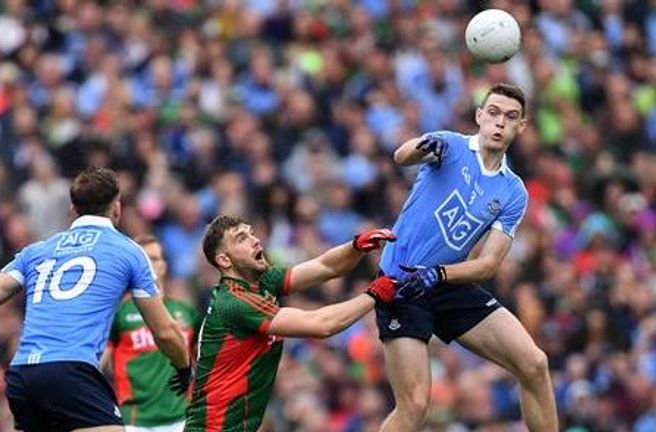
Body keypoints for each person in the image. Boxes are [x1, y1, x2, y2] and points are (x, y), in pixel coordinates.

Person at [0, 167, 190, 432]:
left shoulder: (37, 251)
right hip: (72, 370)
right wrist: (183, 366)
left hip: (23, 374)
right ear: (117, 206)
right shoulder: (128, 251)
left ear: (73, 209)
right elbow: (165, 332)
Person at [376, 83, 558, 431]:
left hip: (444, 281)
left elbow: (488, 264)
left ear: (521, 127)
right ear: (479, 116)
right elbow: (401, 156)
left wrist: (440, 275)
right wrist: (422, 146)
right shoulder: (451, 145)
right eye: (493, 113)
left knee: (534, 364)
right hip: (401, 284)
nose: (499, 123)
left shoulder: (513, 191)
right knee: (414, 407)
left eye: (510, 117)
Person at [184, 214, 400, 432]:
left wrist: (356, 246)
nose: (255, 240)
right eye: (241, 238)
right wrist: (373, 295)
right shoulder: (234, 302)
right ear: (224, 261)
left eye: (251, 233)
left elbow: (326, 267)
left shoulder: (261, 281)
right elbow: (321, 324)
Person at [102, 234, 197, 432]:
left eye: (155, 259)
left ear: (164, 266)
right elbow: (99, 365)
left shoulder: (187, 314)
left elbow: (204, 364)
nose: (151, 265)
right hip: (136, 421)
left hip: (183, 418)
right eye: (145, 259)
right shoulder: (118, 314)